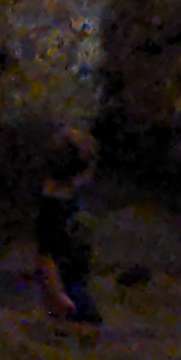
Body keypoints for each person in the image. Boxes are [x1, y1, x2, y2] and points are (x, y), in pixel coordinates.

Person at [32, 127, 103, 328]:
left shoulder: (67, 202)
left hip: (75, 283)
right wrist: (57, 295)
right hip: (68, 289)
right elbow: (45, 257)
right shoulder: (53, 209)